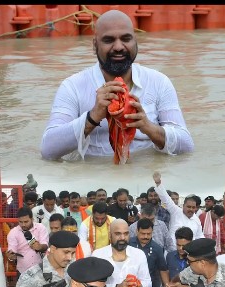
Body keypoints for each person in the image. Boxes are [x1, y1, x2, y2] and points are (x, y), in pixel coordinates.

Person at [40, 9, 194, 161]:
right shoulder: (72, 87)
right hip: (95, 176)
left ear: (135, 42)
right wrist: (92, 118)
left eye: (126, 39)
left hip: (145, 172)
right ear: (95, 46)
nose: (119, 47)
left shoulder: (158, 82)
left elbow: (187, 145)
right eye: (108, 40)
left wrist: (149, 127)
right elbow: (48, 149)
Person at [92, 218, 152, 287]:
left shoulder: (139, 255)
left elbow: (148, 283)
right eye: (118, 234)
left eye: (126, 233)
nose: (122, 238)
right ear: (110, 235)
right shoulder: (98, 255)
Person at [129, 218, 170, 287]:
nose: (146, 236)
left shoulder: (157, 248)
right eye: (143, 233)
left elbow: (162, 269)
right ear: (137, 231)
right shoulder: (128, 244)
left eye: (149, 234)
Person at [152, 171, 204, 245]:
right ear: (183, 205)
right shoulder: (176, 211)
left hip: (190, 253)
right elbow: (166, 199)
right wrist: (158, 183)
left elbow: (200, 236)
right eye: (188, 207)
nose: (191, 209)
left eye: (193, 207)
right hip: (173, 250)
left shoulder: (197, 220)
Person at [6, 207, 49, 276]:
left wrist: (40, 247)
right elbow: (12, 250)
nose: (23, 225)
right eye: (20, 222)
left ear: (32, 219)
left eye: (26, 222)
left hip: (40, 270)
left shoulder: (40, 228)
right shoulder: (13, 233)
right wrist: (11, 256)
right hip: (22, 272)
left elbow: (45, 245)